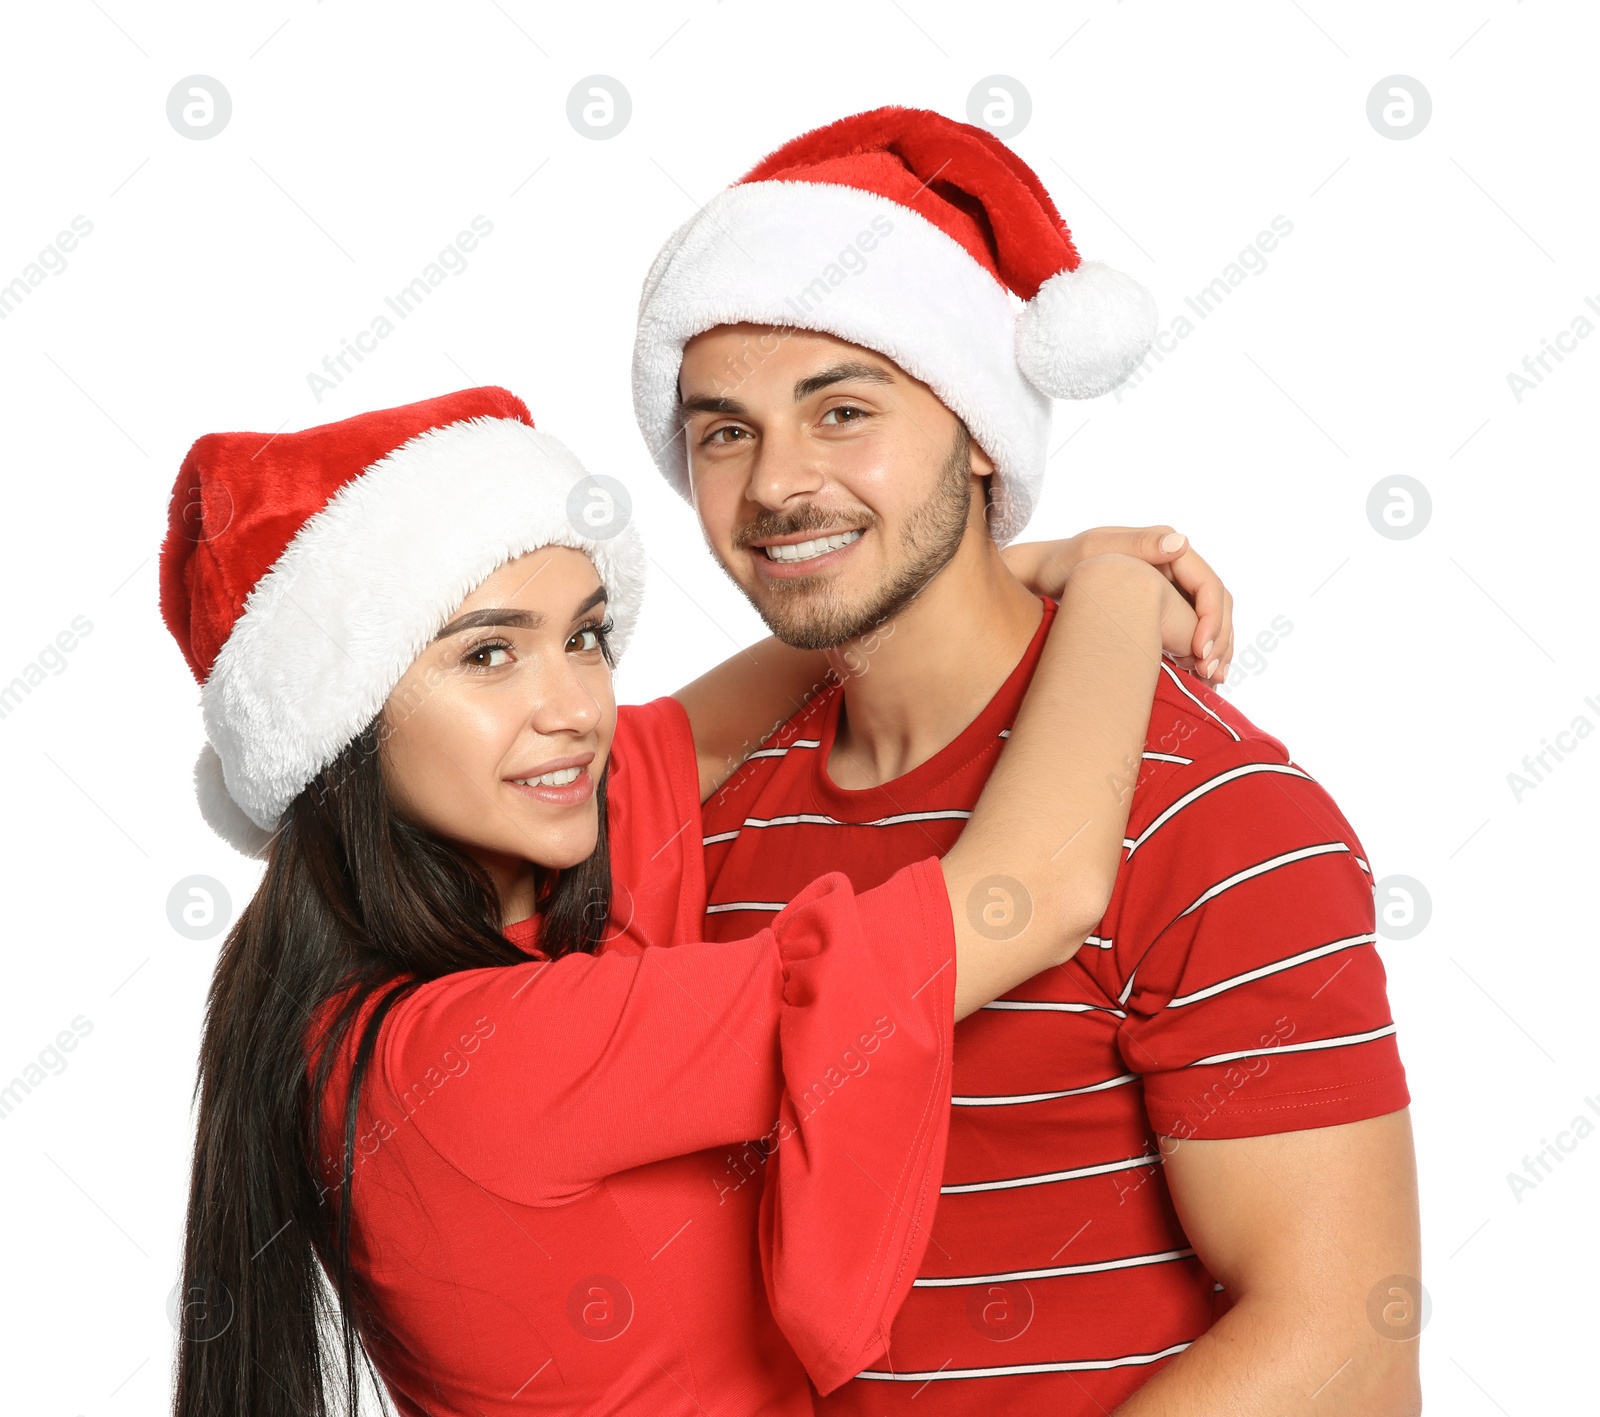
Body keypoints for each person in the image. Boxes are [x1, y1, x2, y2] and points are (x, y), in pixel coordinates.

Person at [160, 386, 1230, 1416]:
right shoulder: (460, 1059)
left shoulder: (463, 921)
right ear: (339, 723)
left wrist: (1025, 566)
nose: (572, 708)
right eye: (488, 654)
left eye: (582, 638)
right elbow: (1032, 893)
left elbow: (717, 720)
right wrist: (1118, 590)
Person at [632, 107, 1421, 1414]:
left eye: (843, 410)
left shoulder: (1210, 812)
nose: (777, 483)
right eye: (725, 431)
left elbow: (1344, 1344)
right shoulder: (702, 811)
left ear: (986, 431)